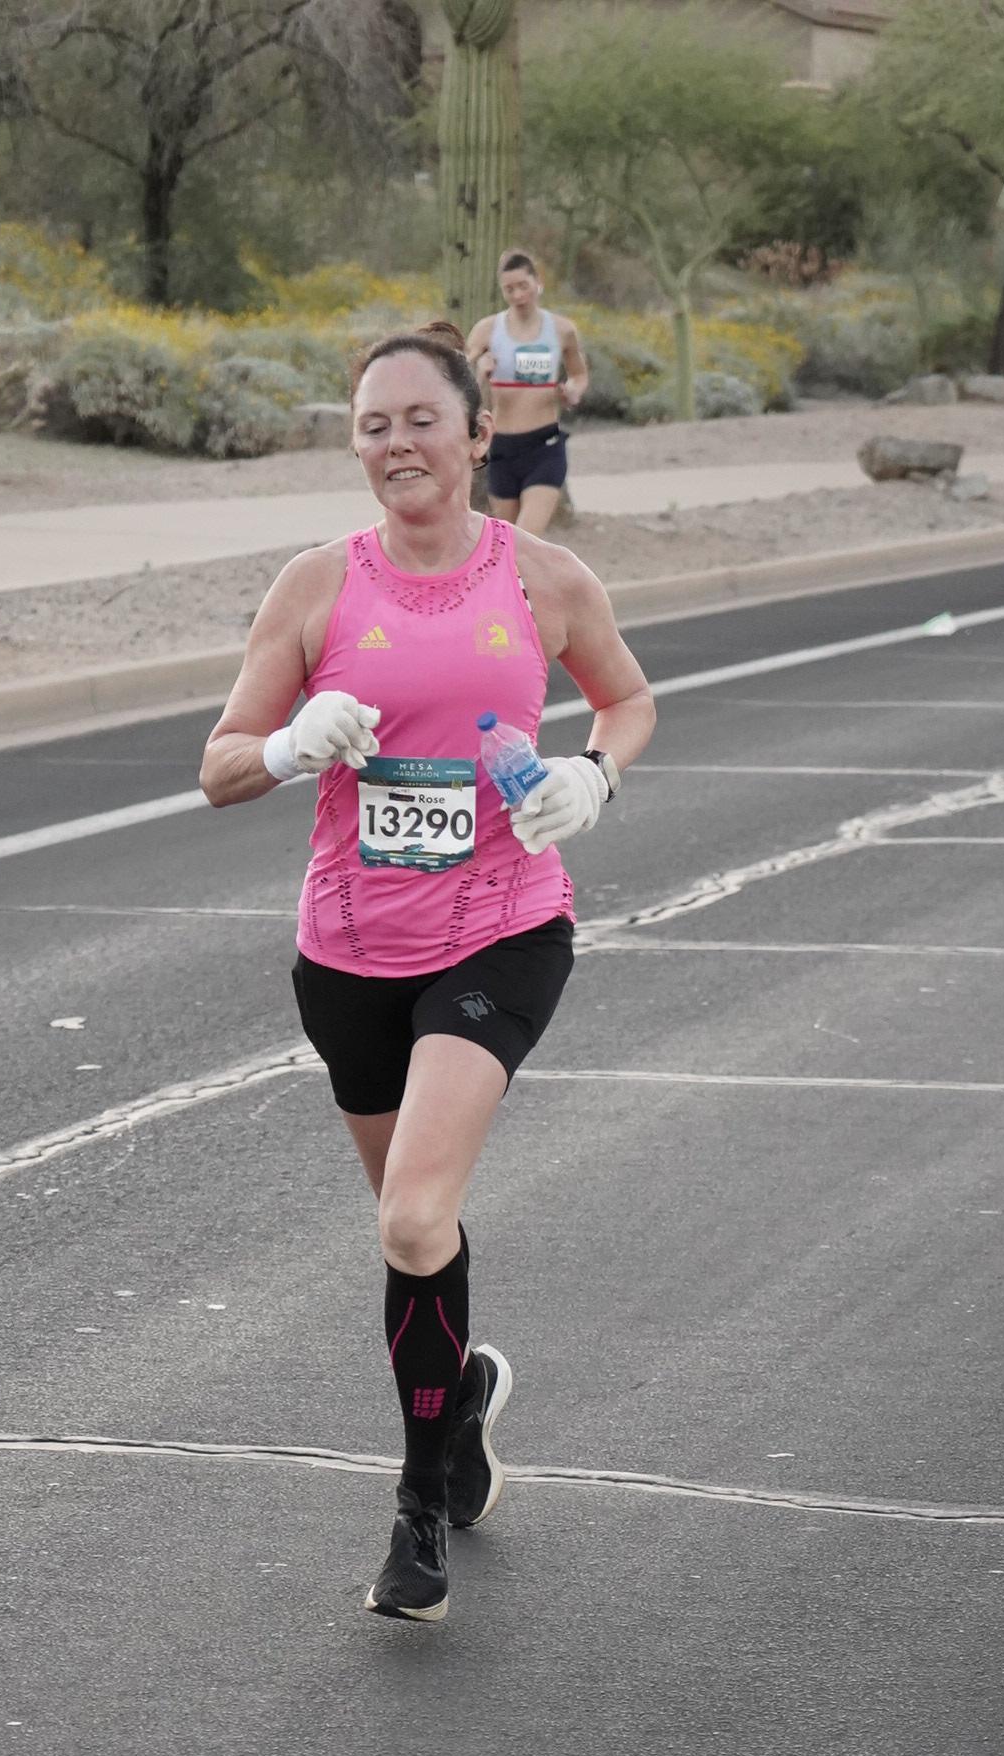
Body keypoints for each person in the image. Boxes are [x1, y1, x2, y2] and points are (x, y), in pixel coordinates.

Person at [200, 326, 654, 1625]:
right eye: (372, 425)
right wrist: (288, 745)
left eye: (418, 420)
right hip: (348, 953)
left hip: (501, 929)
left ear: (473, 435)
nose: (395, 443)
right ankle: (459, 1407)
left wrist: (591, 776)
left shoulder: (545, 577)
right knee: (420, 1231)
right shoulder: (314, 587)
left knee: (408, 1219)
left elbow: (627, 700)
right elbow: (218, 766)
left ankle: (417, 1512)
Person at [465, 248, 589, 535]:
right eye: (509, 289)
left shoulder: (562, 330)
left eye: (523, 286)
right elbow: (460, 385)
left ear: (537, 282)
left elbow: (579, 374)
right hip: (502, 448)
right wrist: (480, 371)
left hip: (544, 446)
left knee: (525, 538)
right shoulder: (486, 330)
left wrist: (573, 391)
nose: (518, 295)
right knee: (509, 542)